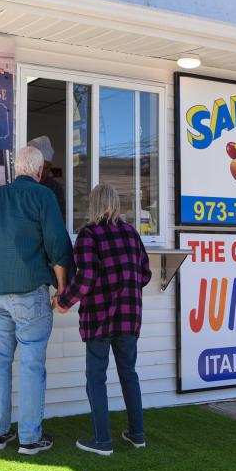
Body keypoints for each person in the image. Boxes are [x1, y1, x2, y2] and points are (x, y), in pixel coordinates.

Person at [0, 146, 73, 455]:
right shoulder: (43, 197)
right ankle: (29, 438)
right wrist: (62, 288)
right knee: (30, 365)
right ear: (39, 172)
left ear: (17, 170)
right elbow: (57, 244)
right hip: (30, 293)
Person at [54, 184, 152, 456]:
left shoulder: (88, 235)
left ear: (93, 205)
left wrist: (63, 302)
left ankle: (102, 441)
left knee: (96, 378)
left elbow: (85, 278)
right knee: (128, 374)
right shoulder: (132, 234)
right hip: (129, 318)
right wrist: (127, 287)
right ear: (116, 204)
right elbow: (145, 274)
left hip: (99, 318)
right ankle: (137, 434)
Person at [27, 135, 66, 218]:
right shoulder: (24, 185)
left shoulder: (55, 188)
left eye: (45, 168)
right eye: (39, 167)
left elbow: (60, 217)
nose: (41, 172)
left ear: (50, 167)